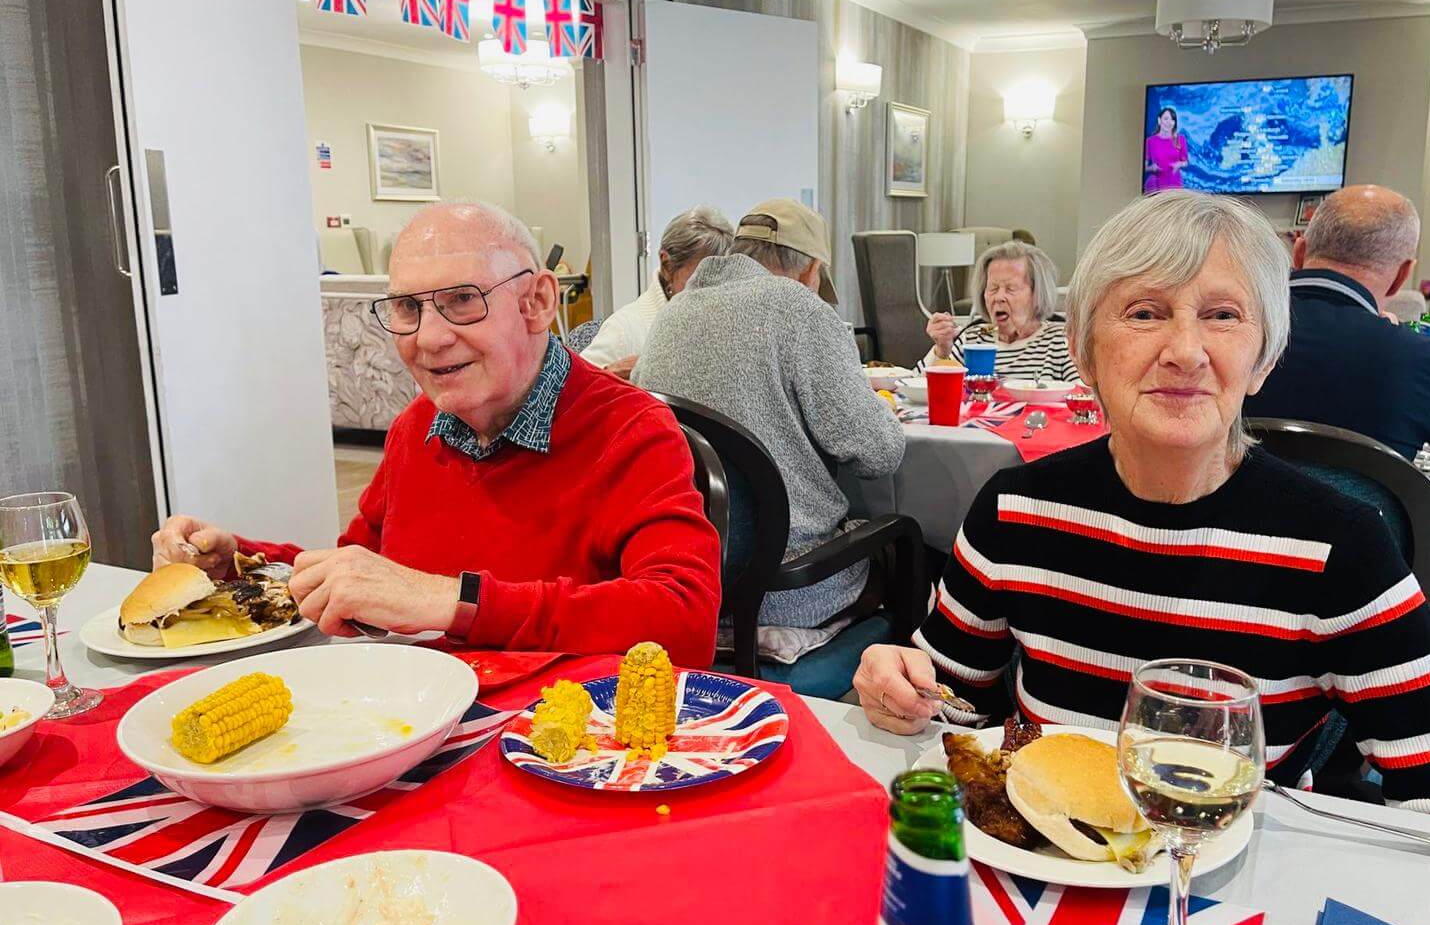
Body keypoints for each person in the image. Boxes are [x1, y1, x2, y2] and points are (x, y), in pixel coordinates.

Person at [856, 190, 1430, 828]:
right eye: (1145, 313)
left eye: (1223, 315)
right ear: (1085, 353)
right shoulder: (1015, 510)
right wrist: (899, 682)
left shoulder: (1340, 544)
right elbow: (949, 696)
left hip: (1234, 878)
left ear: (1264, 358)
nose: (1184, 351)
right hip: (1044, 863)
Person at [151, 200, 720, 665]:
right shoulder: (414, 428)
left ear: (538, 302)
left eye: (461, 301)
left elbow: (683, 620)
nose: (429, 338)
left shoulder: (631, 429)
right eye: (407, 307)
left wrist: (455, 601)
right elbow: (361, 572)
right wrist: (243, 565)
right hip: (416, 728)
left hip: (554, 750)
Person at [633, 199, 904, 631]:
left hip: (694, 580)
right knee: (906, 541)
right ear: (812, 270)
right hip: (789, 586)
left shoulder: (671, 316)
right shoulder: (801, 311)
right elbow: (879, 454)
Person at [1246, 184, 1430, 488]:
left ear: (1298, 252)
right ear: (1402, 275)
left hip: (1221, 533)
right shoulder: (1414, 359)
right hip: (1357, 534)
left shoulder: (1221, 331)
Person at [581, 205, 734, 381]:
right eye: (702, 277)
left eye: (723, 277)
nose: (716, 289)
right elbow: (573, 394)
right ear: (668, 266)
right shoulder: (624, 330)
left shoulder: (725, 326)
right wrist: (611, 377)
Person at [922, 241, 1080, 382]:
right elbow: (913, 389)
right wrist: (942, 350)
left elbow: (1086, 400)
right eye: (993, 288)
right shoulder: (974, 337)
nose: (999, 297)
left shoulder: (1060, 340)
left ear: (1037, 294)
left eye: (1011, 289)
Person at [1143, 106, 1188, 193]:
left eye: (1172, 119)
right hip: (1156, 186)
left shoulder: (1181, 139)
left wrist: (1179, 164)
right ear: (1159, 121)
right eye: (1166, 119)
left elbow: (1185, 162)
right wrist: (1151, 168)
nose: (1169, 122)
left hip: (1175, 184)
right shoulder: (1150, 141)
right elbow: (1143, 167)